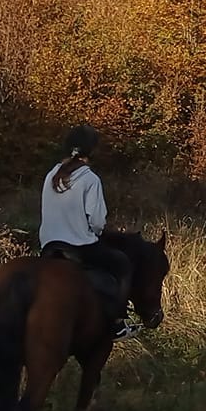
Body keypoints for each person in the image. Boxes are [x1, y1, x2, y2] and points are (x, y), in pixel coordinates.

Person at [39, 124, 131, 330]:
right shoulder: (90, 179)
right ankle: (117, 322)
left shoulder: (51, 175)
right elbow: (98, 222)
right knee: (123, 264)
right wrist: (95, 233)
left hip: (48, 246)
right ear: (91, 151)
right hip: (78, 248)